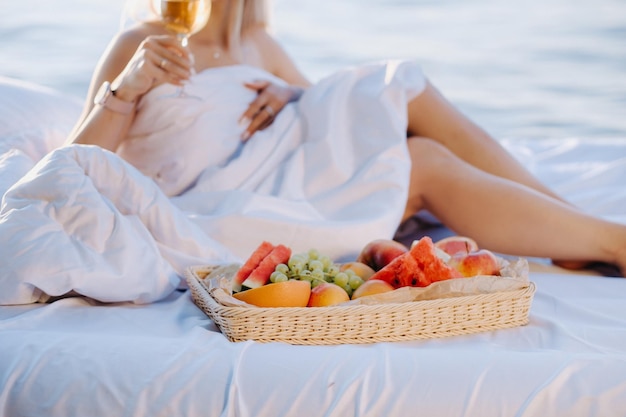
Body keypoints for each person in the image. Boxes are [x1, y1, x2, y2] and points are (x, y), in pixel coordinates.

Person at [66, 0, 626, 277]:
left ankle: (580, 232)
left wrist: (293, 97)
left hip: (286, 170)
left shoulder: (260, 43)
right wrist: (127, 87)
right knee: (419, 154)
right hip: (219, 205)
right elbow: (70, 166)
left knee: (396, 98)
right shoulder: (144, 40)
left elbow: (328, 116)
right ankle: (599, 239)